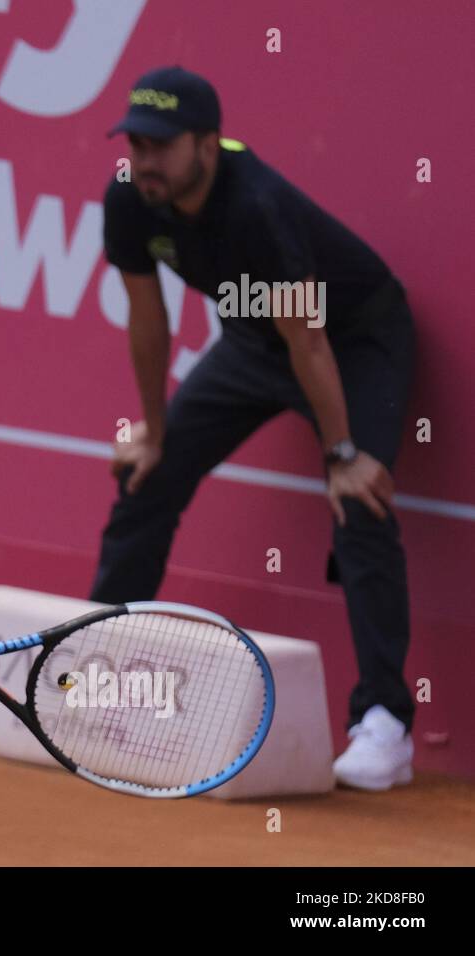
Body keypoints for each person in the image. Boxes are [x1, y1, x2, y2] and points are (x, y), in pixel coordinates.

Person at [91, 66, 416, 791]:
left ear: (208, 145)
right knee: (150, 473)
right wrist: (152, 428)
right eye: (136, 143)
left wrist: (341, 454)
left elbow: (308, 339)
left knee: (358, 499)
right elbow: (150, 317)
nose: (144, 161)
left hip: (354, 337)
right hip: (251, 342)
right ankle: (96, 669)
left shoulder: (257, 208)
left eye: (162, 146)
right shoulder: (131, 198)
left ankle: (385, 724)